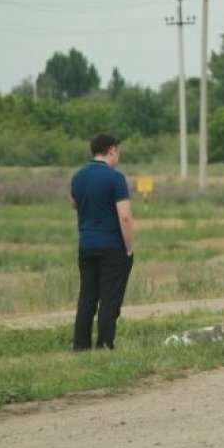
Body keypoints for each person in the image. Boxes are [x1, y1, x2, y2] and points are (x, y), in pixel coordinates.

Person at [71, 133, 136, 351]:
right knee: (110, 298)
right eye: (117, 150)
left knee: (87, 297)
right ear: (112, 151)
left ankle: (80, 346)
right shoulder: (116, 179)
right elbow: (125, 217)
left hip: (86, 245)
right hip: (111, 246)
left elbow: (74, 204)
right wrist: (129, 247)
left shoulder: (78, 176)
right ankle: (105, 344)